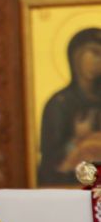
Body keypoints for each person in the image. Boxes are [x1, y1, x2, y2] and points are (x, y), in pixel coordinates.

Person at [37, 27, 101, 186]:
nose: (98, 60)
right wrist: (77, 140)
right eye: (94, 53)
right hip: (68, 187)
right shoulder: (59, 104)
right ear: (76, 56)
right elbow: (50, 160)